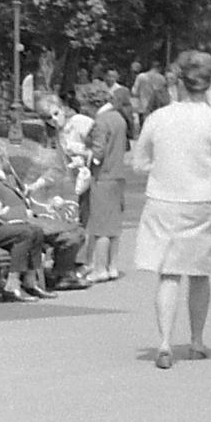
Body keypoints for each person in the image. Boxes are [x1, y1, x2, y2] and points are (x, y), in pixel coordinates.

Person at [130, 51, 211, 368]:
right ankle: (196, 341)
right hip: (205, 201)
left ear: (178, 82)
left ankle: (165, 343)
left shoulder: (158, 119)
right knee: (199, 274)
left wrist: (164, 165)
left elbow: (139, 164)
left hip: (164, 200)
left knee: (168, 273)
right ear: (209, 84)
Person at [0, 141, 87, 299]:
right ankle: (21, 282)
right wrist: (22, 215)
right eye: (6, 158)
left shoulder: (6, 178)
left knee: (72, 230)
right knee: (32, 232)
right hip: (7, 226)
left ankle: (40, 279)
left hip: (26, 220)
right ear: (0, 159)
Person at [85, 88, 129, 281]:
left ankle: (99, 268)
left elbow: (98, 153)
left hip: (103, 176)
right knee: (114, 225)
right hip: (118, 175)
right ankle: (112, 266)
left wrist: (83, 156)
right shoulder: (119, 118)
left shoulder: (101, 121)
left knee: (101, 226)